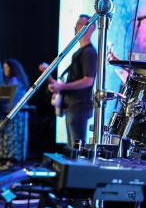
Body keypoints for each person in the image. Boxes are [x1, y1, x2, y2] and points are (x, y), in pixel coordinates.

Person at [42, 15, 98, 147]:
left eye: (80, 24)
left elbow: (88, 81)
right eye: (77, 24)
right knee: (71, 147)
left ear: (90, 28)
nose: (76, 27)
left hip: (79, 105)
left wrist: (61, 87)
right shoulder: (79, 52)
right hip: (72, 105)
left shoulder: (89, 52)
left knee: (75, 147)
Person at [0, 59, 29, 170]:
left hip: (15, 116)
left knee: (12, 139)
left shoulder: (14, 81)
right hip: (11, 115)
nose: (4, 71)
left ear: (12, 69)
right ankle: (7, 162)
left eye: (6, 68)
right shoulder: (10, 81)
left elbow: (6, 98)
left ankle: (10, 163)